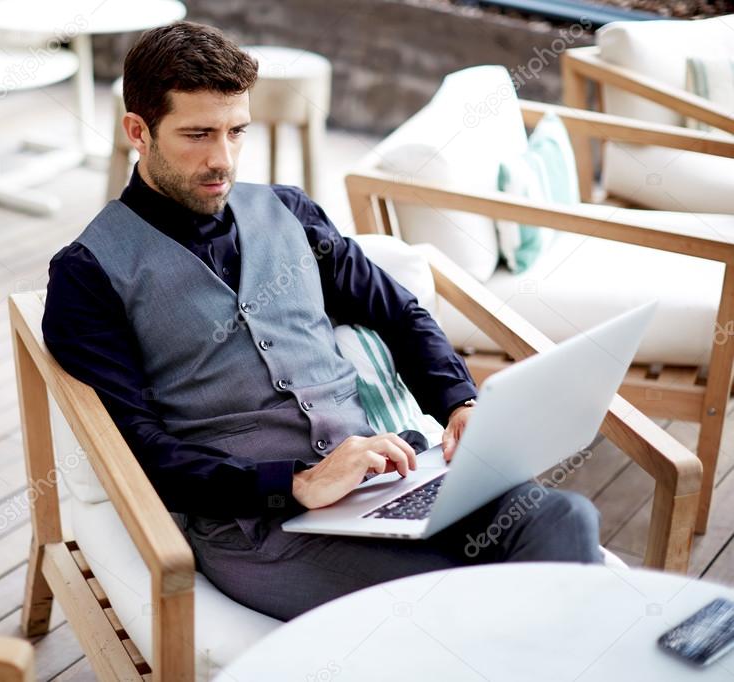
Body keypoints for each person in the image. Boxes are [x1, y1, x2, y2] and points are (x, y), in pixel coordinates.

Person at [43, 20, 602, 622]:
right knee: (450, 603)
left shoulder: (289, 213)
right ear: (138, 131)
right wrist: (297, 482)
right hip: (265, 529)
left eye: (236, 132)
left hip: (390, 483)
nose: (222, 159)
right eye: (197, 134)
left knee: (564, 517)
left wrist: (459, 403)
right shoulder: (88, 273)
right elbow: (137, 446)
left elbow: (398, 313)